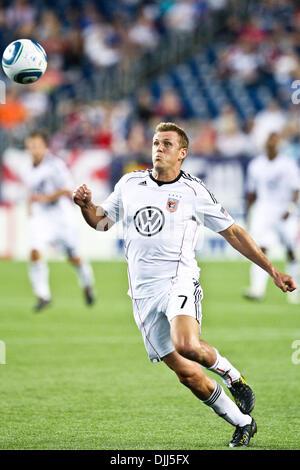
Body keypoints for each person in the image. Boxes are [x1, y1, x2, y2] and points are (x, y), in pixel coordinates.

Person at [73, 122, 296, 448]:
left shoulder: (194, 191)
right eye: (155, 143)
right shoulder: (130, 183)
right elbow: (101, 222)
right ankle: (243, 423)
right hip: (142, 294)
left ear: (182, 153)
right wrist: (85, 207)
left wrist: (273, 271)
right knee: (187, 375)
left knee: (187, 345)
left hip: (179, 279)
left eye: (166, 144)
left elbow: (233, 232)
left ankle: (232, 375)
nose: (158, 149)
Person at [24, 131, 95, 312]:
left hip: (61, 217)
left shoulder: (55, 165)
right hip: (42, 217)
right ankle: (43, 295)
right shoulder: (28, 167)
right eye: (30, 146)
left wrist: (47, 198)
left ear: (44, 146)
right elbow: (32, 191)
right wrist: (30, 206)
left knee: (74, 257)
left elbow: (67, 189)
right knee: (34, 251)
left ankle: (87, 284)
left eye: (37, 145)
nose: (33, 149)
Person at [244, 132, 300, 303]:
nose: (270, 145)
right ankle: (257, 289)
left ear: (278, 145)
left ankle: (294, 291)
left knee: (291, 251)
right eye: (268, 142)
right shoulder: (256, 165)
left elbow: (296, 188)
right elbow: (252, 192)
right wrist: (249, 212)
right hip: (264, 210)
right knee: (260, 250)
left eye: (274, 142)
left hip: (284, 211)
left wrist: (291, 207)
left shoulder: (288, 164)